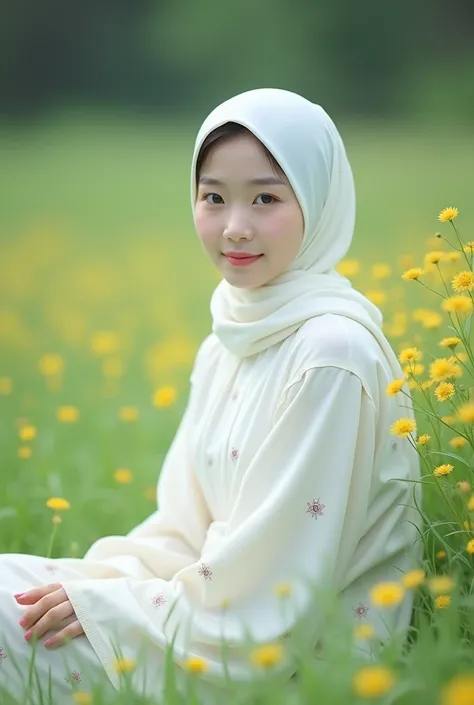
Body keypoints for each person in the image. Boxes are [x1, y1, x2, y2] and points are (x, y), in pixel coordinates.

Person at [0, 88, 421, 703]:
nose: (235, 228)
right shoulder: (232, 335)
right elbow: (182, 530)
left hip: (293, 660)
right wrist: (95, 586)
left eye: (267, 198)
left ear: (319, 200)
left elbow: (273, 588)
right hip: (198, 608)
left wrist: (112, 610)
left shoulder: (332, 353)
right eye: (214, 198)